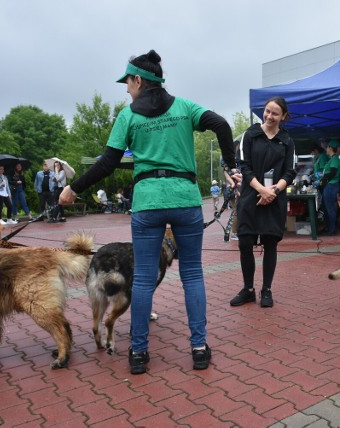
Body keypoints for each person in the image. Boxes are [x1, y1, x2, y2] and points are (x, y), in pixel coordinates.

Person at [59, 49, 236, 374]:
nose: (126, 88)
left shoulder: (128, 116)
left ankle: (138, 352)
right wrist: (231, 165)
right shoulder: (185, 107)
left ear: (139, 80)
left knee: (141, 278)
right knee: (193, 274)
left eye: (127, 82)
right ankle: (199, 348)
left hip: (148, 202)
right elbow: (222, 125)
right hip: (185, 198)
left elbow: (108, 163)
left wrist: (74, 188)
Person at [229, 96, 296, 308]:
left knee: (270, 243)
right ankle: (248, 289)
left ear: (283, 116)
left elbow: (290, 171)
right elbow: (244, 167)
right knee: (245, 242)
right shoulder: (251, 134)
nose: (269, 116)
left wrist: (274, 191)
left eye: (275, 113)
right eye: (267, 111)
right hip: (251, 196)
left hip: (274, 198)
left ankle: (266, 289)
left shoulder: (287, 140)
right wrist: (262, 190)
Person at [320, 139, 340, 236]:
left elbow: (333, 172)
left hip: (332, 185)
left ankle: (332, 229)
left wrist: (323, 177)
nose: (326, 149)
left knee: (330, 208)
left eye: (327, 147)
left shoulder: (335, 159)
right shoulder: (332, 159)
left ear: (330, 148)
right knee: (327, 208)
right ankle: (329, 227)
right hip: (330, 185)